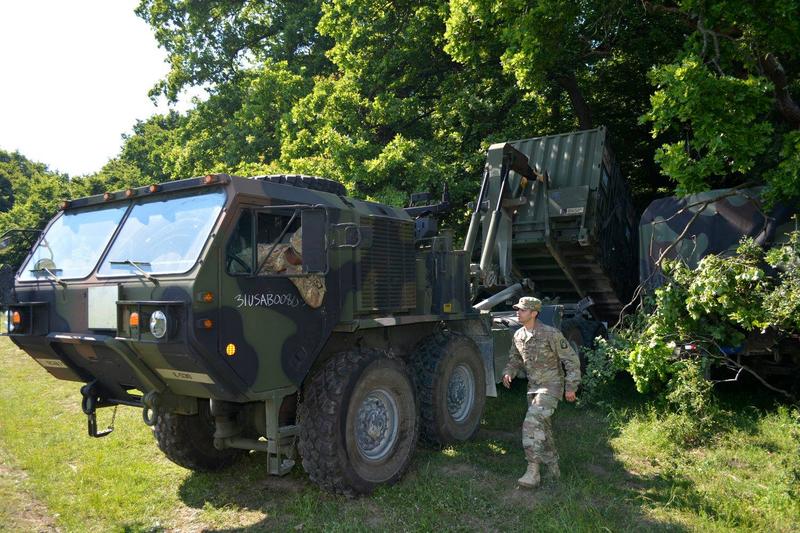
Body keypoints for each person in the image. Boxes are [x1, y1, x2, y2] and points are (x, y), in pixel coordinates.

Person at [502, 296, 581, 489]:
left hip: (552, 386)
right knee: (543, 428)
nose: (518, 313)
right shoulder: (519, 335)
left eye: (522, 310)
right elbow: (515, 359)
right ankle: (554, 468)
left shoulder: (551, 334)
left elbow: (571, 360)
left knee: (532, 422)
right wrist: (508, 372)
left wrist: (571, 386)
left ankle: (532, 471)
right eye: (518, 309)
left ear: (534, 313)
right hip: (533, 388)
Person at [257, 227, 326, 308]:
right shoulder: (268, 253)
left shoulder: (314, 270)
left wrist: (295, 275)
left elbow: (316, 301)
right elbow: (242, 263)